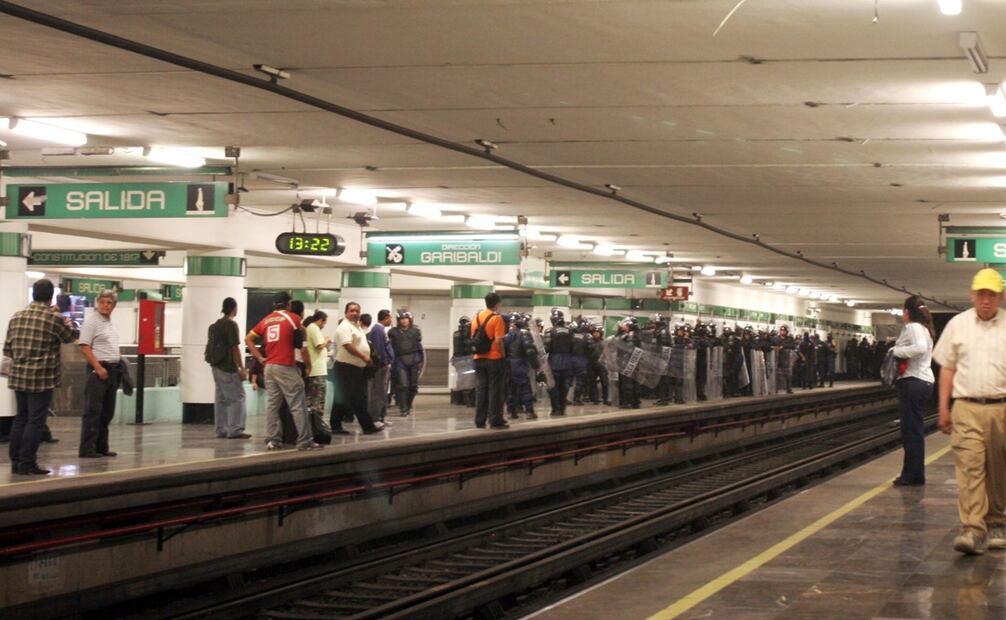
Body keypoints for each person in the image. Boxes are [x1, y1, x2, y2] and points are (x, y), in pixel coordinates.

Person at [932, 268, 1006, 555]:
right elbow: (947, 369)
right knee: (970, 467)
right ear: (972, 295)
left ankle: (998, 522)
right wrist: (943, 408)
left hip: (1002, 407)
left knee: (999, 470)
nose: (986, 300)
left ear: (1000, 297)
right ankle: (973, 529)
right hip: (966, 407)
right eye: (981, 294)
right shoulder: (957, 325)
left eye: (992, 295)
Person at [4, 279, 78, 475]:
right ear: (50, 296)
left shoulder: (16, 317)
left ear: (34, 294)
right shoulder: (52, 319)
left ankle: (16, 462)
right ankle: (28, 463)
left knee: (21, 418)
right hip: (41, 378)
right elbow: (70, 338)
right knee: (35, 421)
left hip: (18, 376)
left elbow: (7, 349)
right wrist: (66, 322)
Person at [246, 291, 321, 451]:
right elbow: (300, 346)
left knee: (273, 404)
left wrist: (260, 358)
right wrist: (308, 366)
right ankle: (305, 440)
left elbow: (248, 339)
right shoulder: (293, 318)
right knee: (297, 404)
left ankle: (273, 440)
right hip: (286, 366)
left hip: (269, 367)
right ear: (288, 303)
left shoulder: (266, 320)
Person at [890, 295, 935, 487]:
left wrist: (895, 351)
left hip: (914, 382)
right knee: (913, 430)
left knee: (911, 432)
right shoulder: (924, 328)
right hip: (921, 382)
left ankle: (912, 476)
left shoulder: (913, 327)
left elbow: (920, 348)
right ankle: (914, 473)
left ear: (907, 312)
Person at [78, 289, 123, 459]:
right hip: (98, 371)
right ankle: (87, 448)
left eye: (109, 303)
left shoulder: (108, 322)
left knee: (106, 412)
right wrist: (97, 367)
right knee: (93, 411)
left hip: (111, 371)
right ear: (98, 304)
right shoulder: (92, 322)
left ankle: (102, 446)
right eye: (102, 302)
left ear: (114, 305)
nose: (105, 306)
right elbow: (84, 346)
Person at [331, 302, 384, 434]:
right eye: (351, 311)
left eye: (357, 311)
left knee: (358, 398)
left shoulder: (356, 326)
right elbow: (347, 345)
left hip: (356, 368)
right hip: (345, 367)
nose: (354, 313)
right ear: (346, 312)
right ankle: (337, 426)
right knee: (344, 398)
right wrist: (364, 357)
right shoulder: (344, 327)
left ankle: (366, 426)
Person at [209, 297, 249, 439]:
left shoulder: (216, 325)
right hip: (227, 367)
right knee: (237, 398)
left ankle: (222, 429)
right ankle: (235, 430)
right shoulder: (231, 325)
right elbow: (234, 348)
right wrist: (242, 368)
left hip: (216, 367)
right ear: (234, 308)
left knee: (221, 400)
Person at [471, 292, 508, 429]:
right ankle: (495, 420)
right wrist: (503, 355)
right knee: (495, 390)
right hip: (494, 358)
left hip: (478, 358)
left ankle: (479, 420)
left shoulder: (476, 317)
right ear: (497, 303)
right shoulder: (497, 319)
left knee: (481, 390)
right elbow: (499, 341)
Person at [304, 310, 341, 434]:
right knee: (318, 399)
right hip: (317, 370)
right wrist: (327, 340)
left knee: (313, 399)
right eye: (324, 322)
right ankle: (316, 427)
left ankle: (312, 426)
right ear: (321, 320)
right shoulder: (313, 328)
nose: (324, 325)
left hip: (315, 369)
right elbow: (319, 345)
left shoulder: (311, 328)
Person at [388, 311, 424, 417]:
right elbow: (390, 347)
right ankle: (403, 408)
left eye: (406, 318)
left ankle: (408, 406)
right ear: (398, 320)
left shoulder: (416, 331)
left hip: (413, 360)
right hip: (399, 361)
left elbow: (419, 347)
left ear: (410, 320)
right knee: (403, 385)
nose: (404, 320)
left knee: (413, 386)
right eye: (401, 319)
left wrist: (420, 361)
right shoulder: (393, 332)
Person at [544, 309, 574, 416]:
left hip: (555, 361)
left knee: (553, 386)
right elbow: (573, 347)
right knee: (565, 385)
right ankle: (562, 407)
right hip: (568, 362)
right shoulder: (570, 331)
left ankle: (555, 408)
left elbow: (546, 348)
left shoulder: (550, 331)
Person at [367, 309, 395, 424]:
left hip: (384, 366)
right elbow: (379, 349)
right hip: (380, 367)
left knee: (383, 392)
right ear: (386, 318)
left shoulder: (381, 329)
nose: (391, 320)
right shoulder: (377, 330)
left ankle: (381, 417)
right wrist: (383, 362)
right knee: (378, 392)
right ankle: (375, 417)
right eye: (390, 318)